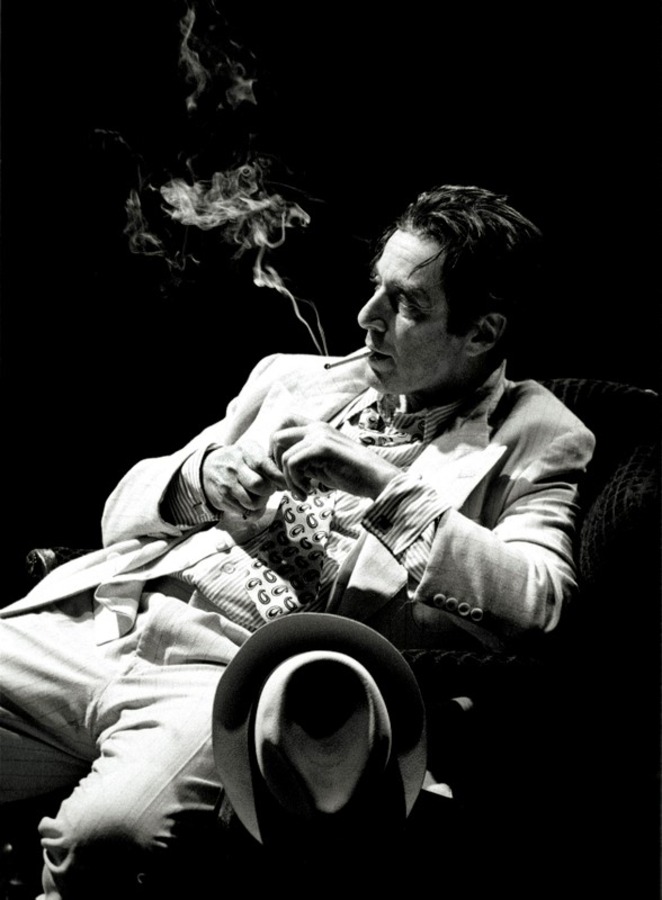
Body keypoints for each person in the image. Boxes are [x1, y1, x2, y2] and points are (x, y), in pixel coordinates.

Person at [0, 184, 595, 899]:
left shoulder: (538, 434)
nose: (366, 317)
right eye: (376, 287)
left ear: (483, 332)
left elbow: (541, 602)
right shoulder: (295, 377)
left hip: (223, 677)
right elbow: (121, 513)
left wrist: (384, 487)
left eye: (407, 303)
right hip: (109, 616)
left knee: (104, 841)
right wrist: (202, 480)